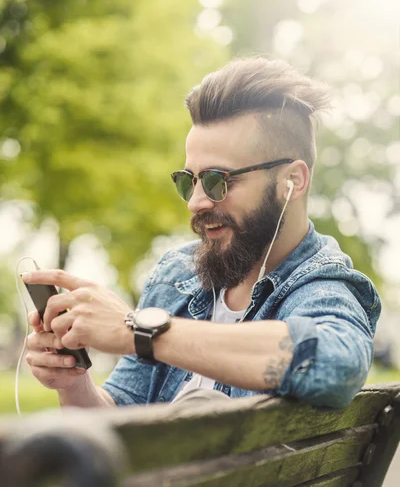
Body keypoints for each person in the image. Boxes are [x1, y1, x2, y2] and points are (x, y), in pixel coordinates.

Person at [24, 57, 381, 409]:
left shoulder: (324, 286)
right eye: (188, 181)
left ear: (293, 180)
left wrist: (138, 331)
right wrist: (73, 384)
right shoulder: (177, 274)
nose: (196, 202)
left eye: (217, 180)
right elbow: (121, 411)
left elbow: (336, 365)